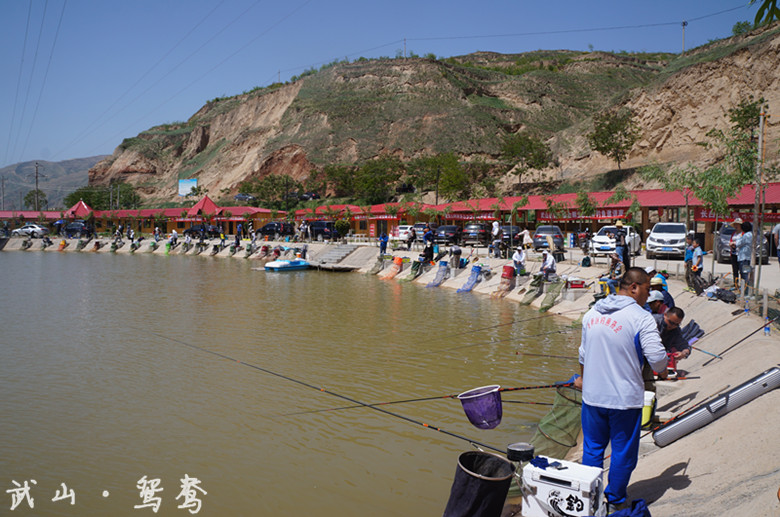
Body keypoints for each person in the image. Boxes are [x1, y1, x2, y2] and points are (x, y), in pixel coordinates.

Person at [575, 268, 668, 510]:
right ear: (634, 288)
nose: (648, 295)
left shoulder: (592, 313)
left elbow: (583, 354)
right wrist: (663, 370)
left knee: (592, 449)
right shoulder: (642, 317)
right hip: (624, 401)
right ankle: (615, 500)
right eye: (647, 289)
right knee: (622, 453)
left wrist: (583, 380)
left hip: (592, 398)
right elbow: (657, 358)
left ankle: (589, 499)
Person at [735, 220, 753, 290]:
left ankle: (745, 290)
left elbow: (738, 243)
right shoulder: (751, 235)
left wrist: (733, 243)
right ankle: (745, 289)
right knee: (746, 274)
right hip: (748, 257)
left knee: (744, 275)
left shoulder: (746, 235)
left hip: (743, 257)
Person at [729, 218, 743, 289]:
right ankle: (735, 284)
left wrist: (735, 243)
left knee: (741, 270)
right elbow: (730, 241)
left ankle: (743, 285)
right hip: (734, 253)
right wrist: (731, 244)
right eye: (735, 225)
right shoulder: (733, 233)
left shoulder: (743, 234)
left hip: (740, 254)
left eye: (738, 224)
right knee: (735, 270)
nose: (736, 226)